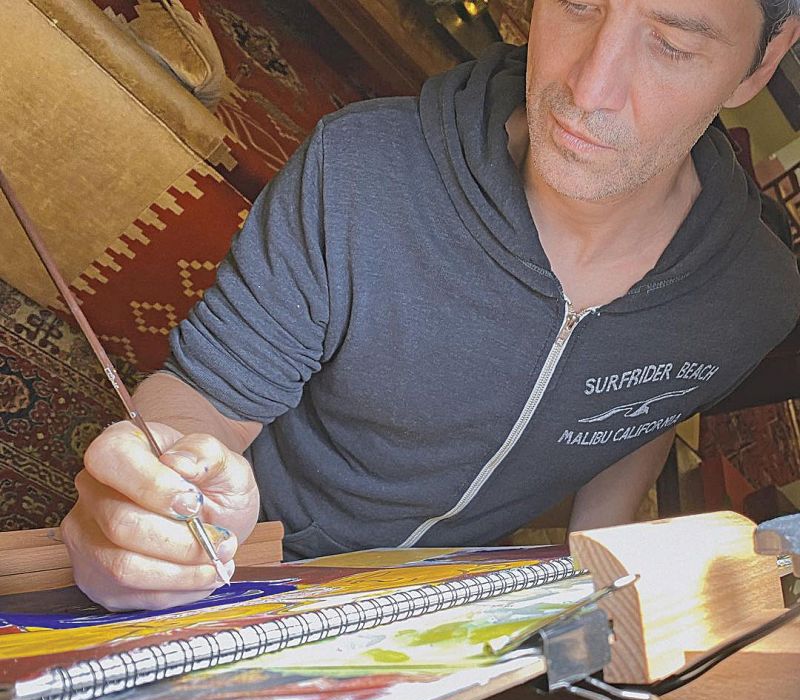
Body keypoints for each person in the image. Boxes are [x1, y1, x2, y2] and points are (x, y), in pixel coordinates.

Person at [63, 0, 800, 610]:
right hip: (248, 553)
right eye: (577, 4)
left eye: (672, 44)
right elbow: (206, 396)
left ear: (762, 61)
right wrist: (158, 491)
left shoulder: (757, 301)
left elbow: (656, 400)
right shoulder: (357, 169)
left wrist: (598, 550)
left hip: (443, 600)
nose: (588, 89)